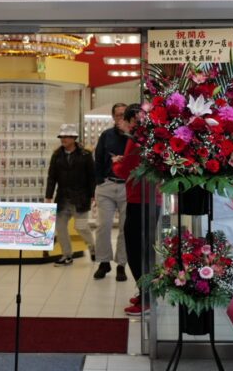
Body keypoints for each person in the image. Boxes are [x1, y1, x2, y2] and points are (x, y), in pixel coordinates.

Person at [112, 103, 161, 316]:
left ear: (133, 120)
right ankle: (146, 294)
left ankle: (146, 298)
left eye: (125, 118)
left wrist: (116, 164)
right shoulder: (151, 138)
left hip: (139, 200)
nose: (123, 123)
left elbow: (125, 170)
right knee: (145, 249)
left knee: (136, 251)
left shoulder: (136, 140)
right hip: (151, 199)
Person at [44, 124, 96, 266]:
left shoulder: (85, 155)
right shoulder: (56, 155)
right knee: (60, 228)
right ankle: (67, 255)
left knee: (81, 227)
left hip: (81, 199)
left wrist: (93, 194)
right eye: (61, 136)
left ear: (74, 138)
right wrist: (48, 196)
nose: (63, 139)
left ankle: (93, 248)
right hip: (62, 199)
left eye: (66, 136)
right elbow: (51, 177)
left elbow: (92, 176)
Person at [93, 103, 129, 281]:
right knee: (103, 226)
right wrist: (99, 181)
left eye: (124, 114)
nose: (121, 117)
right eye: (118, 115)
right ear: (113, 117)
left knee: (124, 228)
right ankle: (104, 261)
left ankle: (121, 264)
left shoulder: (135, 136)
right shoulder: (106, 135)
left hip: (127, 186)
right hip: (107, 184)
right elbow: (98, 159)